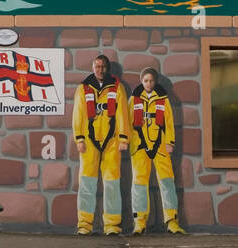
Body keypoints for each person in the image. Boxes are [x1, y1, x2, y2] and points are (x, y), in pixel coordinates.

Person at [72, 54, 130, 236]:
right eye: (97, 66)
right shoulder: (83, 88)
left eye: (103, 66)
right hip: (89, 142)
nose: (100, 70)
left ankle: (112, 225)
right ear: (92, 67)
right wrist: (79, 139)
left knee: (112, 183)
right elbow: (78, 114)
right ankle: (84, 224)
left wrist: (123, 139)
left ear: (107, 68)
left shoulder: (117, 88)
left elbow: (122, 114)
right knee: (87, 183)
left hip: (112, 141)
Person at [129, 68, 185, 235]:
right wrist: (132, 144)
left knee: (167, 182)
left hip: (160, 146)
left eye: (151, 81)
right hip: (140, 147)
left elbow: (168, 122)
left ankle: (172, 221)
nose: (148, 84)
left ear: (155, 82)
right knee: (139, 184)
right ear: (141, 81)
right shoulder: (134, 99)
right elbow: (130, 122)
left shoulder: (163, 100)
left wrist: (170, 143)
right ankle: (139, 222)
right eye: (145, 81)